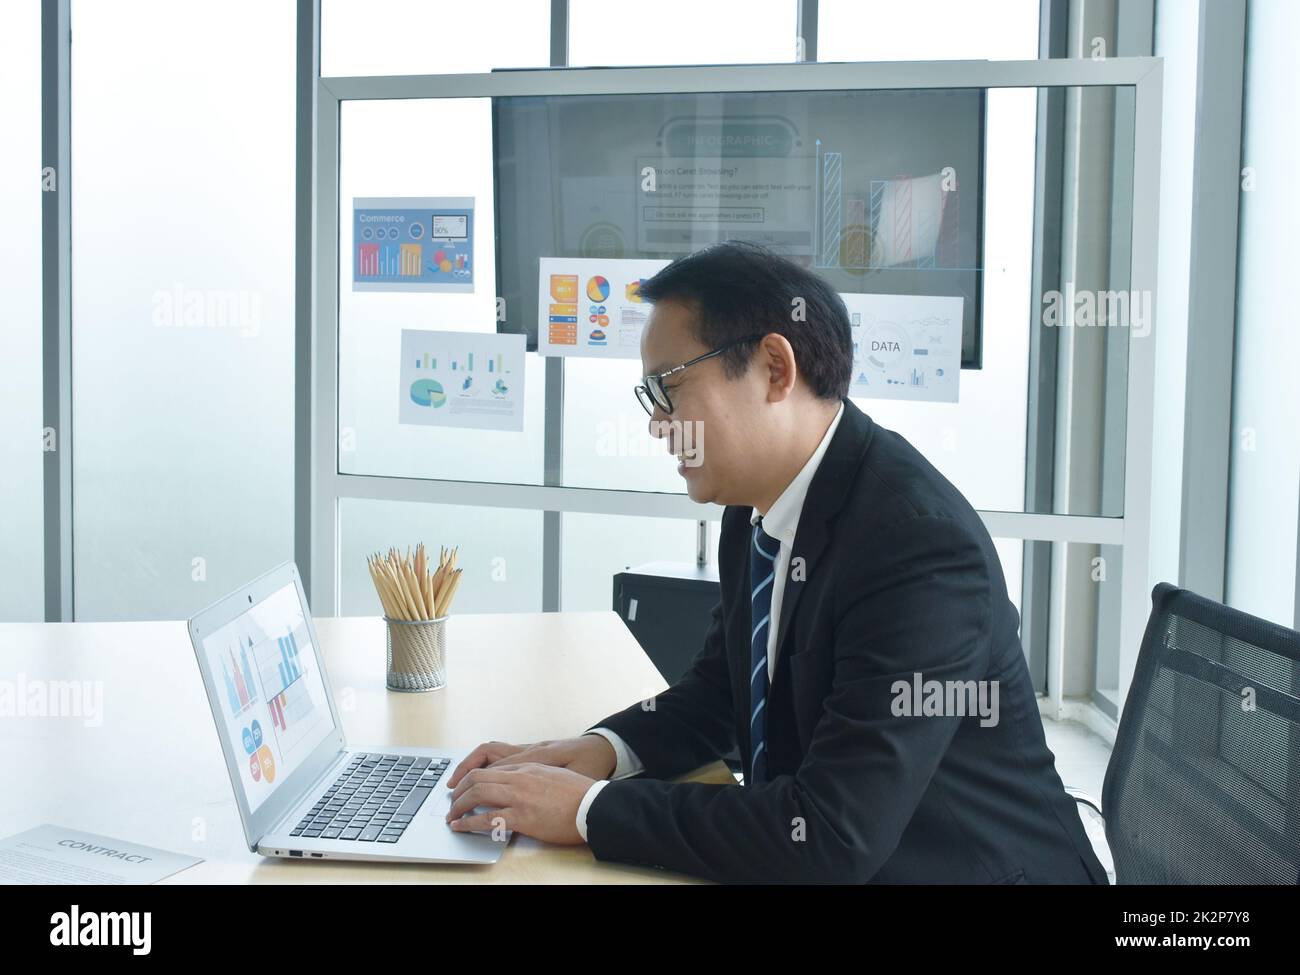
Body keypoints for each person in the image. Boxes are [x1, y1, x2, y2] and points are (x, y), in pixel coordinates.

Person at [444, 240, 1108, 884]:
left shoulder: (917, 548)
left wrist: (587, 811)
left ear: (774, 368)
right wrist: (599, 752)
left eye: (667, 388)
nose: (656, 423)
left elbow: (829, 833)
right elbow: (721, 692)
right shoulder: (757, 507)